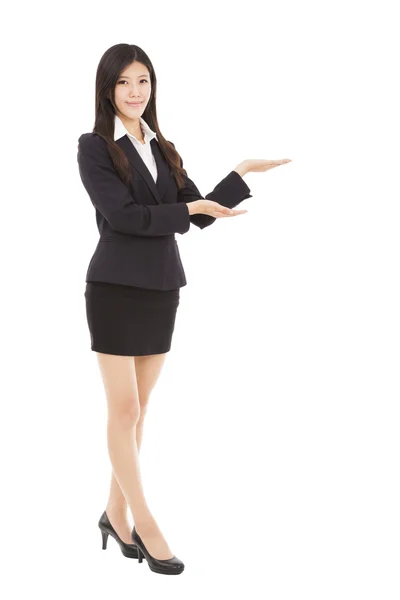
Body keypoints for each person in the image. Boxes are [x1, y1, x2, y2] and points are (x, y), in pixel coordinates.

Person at [77, 43, 291, 576]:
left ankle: (113, 513)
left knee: (140, 412)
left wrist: (240, 173)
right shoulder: (96, 146)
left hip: (162, 288)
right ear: (108, 89)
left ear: (152, 87)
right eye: (124, 82)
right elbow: (125, 217)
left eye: (143, 81)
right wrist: (187, 207)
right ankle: (144, 523)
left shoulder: (163, 145)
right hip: (114, 287)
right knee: (123, 410)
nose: (135, 92)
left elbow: (198, 215)